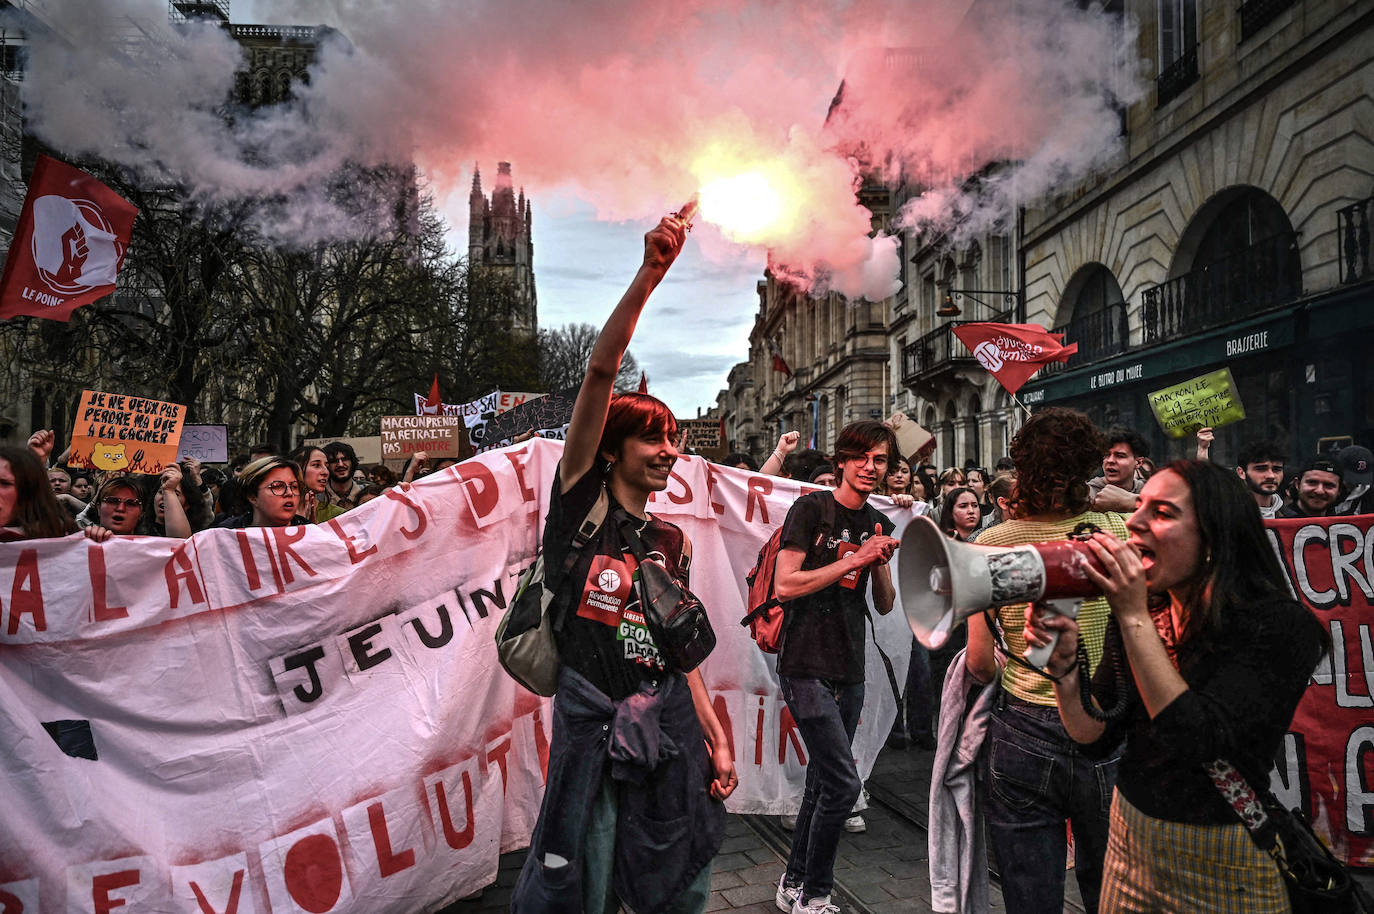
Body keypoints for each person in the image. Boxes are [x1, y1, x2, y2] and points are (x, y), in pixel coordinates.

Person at [512, 216, 734, 914]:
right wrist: (651, 273)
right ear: (612, 449)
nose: (671, 452)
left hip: (665, 725)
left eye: (674, 441)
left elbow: (678, 651)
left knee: (677, 866)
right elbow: (601, 371)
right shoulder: (580, 504)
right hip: (592, 729)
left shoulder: (674, 542)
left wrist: (713, 728)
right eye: (653, 439)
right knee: (586, 874)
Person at [1025, 460, 1327, 912]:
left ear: (1215, 538)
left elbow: (1195, 739)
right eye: (1139, 506)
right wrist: (1065, 671)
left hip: (1224, 862)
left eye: (1162, 513)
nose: (1133, 522)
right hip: (1131, 844)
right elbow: (1095, 738)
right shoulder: (1149, 608)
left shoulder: (1280, 626)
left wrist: (1131, 617)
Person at [965, 407, 1127, 914]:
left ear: (1022, 466)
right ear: (1090, 466)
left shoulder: (988, 543)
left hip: (1023, 727)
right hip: (1108, 719)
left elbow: (979, 666)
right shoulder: (1119, 531)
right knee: (1114, 887)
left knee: (1029, 892)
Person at [772, 420, 899, 914]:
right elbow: (786, 585)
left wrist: (879, 559)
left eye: (881, 460)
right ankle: (817, 893)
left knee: (824, 782)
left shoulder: (873, 521)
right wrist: (854, 559)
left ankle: (794, 883)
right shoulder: (812, 508)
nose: (871, 468)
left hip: (850, 667)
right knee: (845, 785)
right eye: (862, 457)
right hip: (804, 662)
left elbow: (885, 606)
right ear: (842, 461)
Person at [0, 444, 77, 541]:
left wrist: (97, 536)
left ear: (29, 490)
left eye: (5, 483)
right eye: (52, 481)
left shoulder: (61, 538)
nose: (57, 483)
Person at [213, 456, 308, 528]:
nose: (289, 493)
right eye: (277, 486)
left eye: (294, 486)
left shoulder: (313, 536)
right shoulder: (224, 536)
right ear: (252, 496)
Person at [1090, 427, 1149, 513]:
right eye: (1106, 455)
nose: (1110, 460)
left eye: (1120, 456)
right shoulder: (1089, 492)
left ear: (1138, 462)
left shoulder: (1147, 490)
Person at [1233, 440, 1286, 519]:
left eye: (1277, 469)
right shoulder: (1228, 516)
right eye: (1261, 469)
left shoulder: (1291, 516)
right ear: (1241, 473)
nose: (1271, 476)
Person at [1278, 457, 1343, 518]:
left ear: (1339, 490)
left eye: (1328, 485)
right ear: (1297, 484)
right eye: (1312, 482)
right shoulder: (1278, 523)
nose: (1319, 491)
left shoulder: (1344, 525)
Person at [290, 445, 331, 522]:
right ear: (297, 469)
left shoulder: (338, 515)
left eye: (327, 466)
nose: (326, 472)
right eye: (316, 465)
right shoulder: (277, 513)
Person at [320, 442, 364, 511]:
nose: (340, 464)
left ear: (352, 462)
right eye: (334, 461)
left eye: (344, 459)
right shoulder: (317, 498)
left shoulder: (367, 492)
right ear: (326, 465)